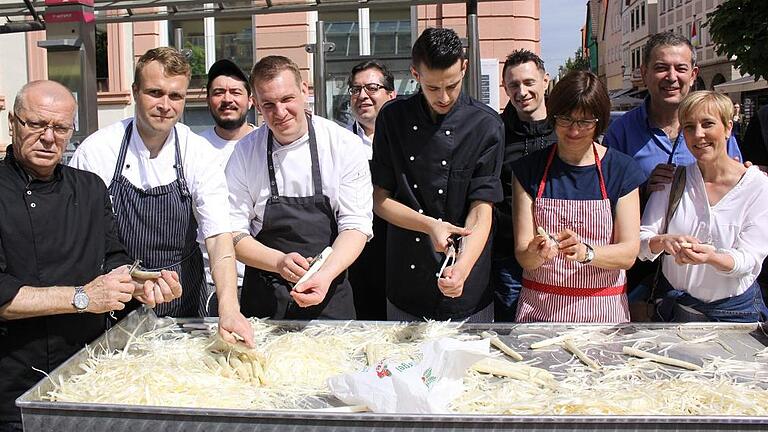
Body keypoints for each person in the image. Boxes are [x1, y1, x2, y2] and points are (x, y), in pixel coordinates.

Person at [0, 80, 181, 429]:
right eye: (36, 124)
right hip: (13, 383)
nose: (49, 137)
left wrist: (140, 284)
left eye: (60, 128)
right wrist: (83, 298)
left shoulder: (89, 187)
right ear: (13, 122)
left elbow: (113, 257)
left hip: (86, 375)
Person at [69, 47, 251, 346]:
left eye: (175, 96)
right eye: (155, 92)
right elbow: (83, 239)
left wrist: (229, 309)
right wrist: (128, 278)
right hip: (115, 299)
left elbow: (218, 236)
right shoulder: (98, 150)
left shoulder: (198, 153)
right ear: (134, 92)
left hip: (182, 297)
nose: (165, 105)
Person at [372, 27, 504, 321]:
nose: (443, 96)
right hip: (406, 282)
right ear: (415, 74)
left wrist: (463, 268)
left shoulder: (486, 125)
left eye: (452, 85)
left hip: (469, 285)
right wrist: (429, 225)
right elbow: (380, 199)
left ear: (464, 68)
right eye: (432, 88)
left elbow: (482, 208)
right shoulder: (392, 118)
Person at [227, 55, 372, 320]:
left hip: (330, 295)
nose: (279, 113)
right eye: (268, 105)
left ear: (304, 91)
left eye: (287, 100)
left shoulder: (342, 145)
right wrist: (279, 263)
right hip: (264, 301)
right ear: (256, 104)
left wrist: (324, 274)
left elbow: (356, 226)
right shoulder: (244, 153)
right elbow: (232, 235)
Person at [512, 71, 643, 323]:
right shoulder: (529, 170)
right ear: (553, 117)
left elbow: (628, 254)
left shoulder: (621, 170)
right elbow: (523, 256)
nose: (574, 130)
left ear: (600, 121)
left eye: (585, 122)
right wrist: (536, 252)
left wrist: (587, 252)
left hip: (603, 314)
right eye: (565, 120)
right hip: (539, 314)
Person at [639, 91, 768, 322]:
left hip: (736, 315)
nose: (698, 134)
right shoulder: (673, 180)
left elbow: (750, 259)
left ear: (728, 128)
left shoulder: (758, 185)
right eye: (689, 127)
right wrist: (663, 241)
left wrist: (711, 257)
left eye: (707, 124)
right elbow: (641, 242)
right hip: (675, 312)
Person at [603, 32, 742, 196]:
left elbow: (736, 186)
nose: (671, 77)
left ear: (693, 75)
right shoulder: (620, 132)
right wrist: (643, 191)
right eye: (661, 68)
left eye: (681, 68)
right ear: (644, 73)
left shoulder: (716, 129)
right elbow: (605, 195)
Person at [493, 49, 558, 322]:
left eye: (529, 82)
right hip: (509, 257)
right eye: (513, 85)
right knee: (512, 333)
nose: (522, 91)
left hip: (560, 256)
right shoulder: (496, 132)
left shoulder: (566, 130)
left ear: (545, 80)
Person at [198, 59, 255, 316]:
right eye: (218, 92)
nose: (227, 99)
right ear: (208, 100)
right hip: (207, 282)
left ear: (250, 100)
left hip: (258, 279)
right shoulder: (194, 149)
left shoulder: (264, 143)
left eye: (235, 92)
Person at [345, 60, 397, 320]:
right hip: (355, 258)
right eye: (355, 89)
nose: (362, 96)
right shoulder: (339, 143)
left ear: (391, 94)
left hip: (401, 251)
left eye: (372, 88)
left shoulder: (408, 142)